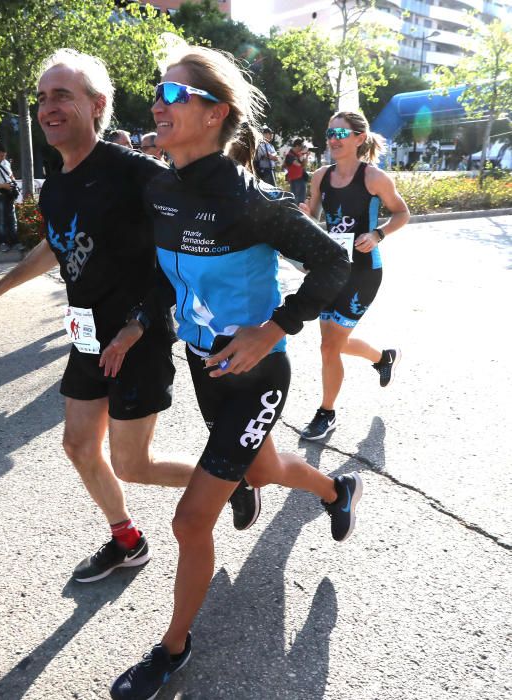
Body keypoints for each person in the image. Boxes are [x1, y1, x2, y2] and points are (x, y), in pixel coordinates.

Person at [102, 47, 360, 700]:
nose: (156, 102)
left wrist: (275, 327)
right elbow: (170, 276)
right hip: (202, 366)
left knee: (191, 521)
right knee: (266, 470)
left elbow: (334, 265)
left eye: (172, 93)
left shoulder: (250, 201)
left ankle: (172, 651)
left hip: (255, 376)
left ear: (215, 113)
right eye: (156, 91)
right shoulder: (161, 189)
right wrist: (139, 323)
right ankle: (335, 491)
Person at [0, 49, 260, 586]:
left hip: (137, 337)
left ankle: (230, 481)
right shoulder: (56, 185)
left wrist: (142, 322)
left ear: (97, 105)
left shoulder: (138, 174)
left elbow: (187, 244)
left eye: (62, 95)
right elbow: (56, 247)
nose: (48, 107)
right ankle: (127, 540)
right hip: (85, 331)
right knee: (78, 445)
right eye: (42, 97)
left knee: (133, 464)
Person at [298, 112, 410, 440]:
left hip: (363, 272)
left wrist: (378, 234)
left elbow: (402, 213)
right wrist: (304, 214)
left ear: (360, 138)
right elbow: (315, 214)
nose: (333, 138)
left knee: (329, 347)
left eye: (341, 133)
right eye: (330, 132)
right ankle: (383, 357)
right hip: (331, 268)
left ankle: (326, 413)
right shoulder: (320, 175)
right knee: (333, 344)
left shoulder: (374, 178)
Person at [284, 138, 309, 204]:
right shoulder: (289, 155)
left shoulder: (298, 154)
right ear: (297, 146)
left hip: (301, 178)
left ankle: (300, 212)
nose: (302, 148)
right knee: (297, 200)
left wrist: (306, 156)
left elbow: (304, 165)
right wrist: (302, 153)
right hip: (295, 180)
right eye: (301, 146)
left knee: (301, 200)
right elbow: (298, 164)